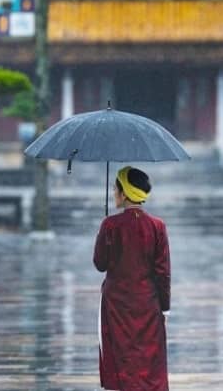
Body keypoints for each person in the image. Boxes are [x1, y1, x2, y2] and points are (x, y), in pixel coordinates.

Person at [94, 166, 170, 391]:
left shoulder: (110, 225)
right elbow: (163, 272)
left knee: (121, 357)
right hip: (148, 303)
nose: (113, 193)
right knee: (148, 359)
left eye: (115, 189)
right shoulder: (157, 226)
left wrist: (103, 235)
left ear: (125, 193)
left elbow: (100, 263)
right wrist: (165, 308)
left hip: (116, 305)